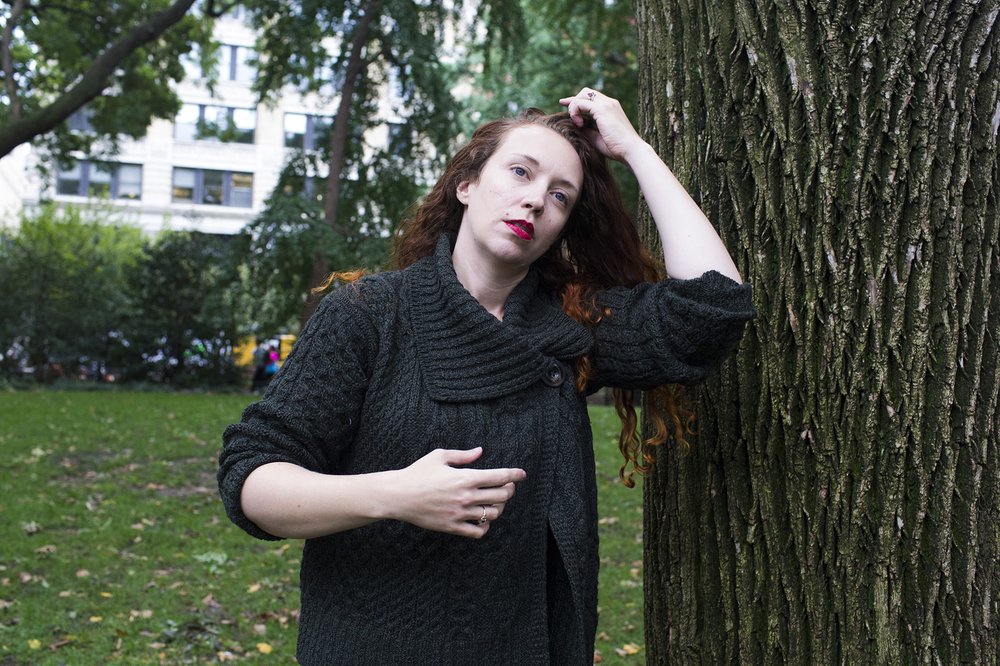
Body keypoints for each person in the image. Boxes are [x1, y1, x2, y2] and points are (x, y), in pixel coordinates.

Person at [217, 88, 754, 664]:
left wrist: (635, 149)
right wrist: (395, 494)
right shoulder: (370, 314)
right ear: (466, 185)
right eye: (520, 172)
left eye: (559, 197)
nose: (534, 201)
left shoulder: (571, 328)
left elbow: (711, 309)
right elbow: (251, 481)